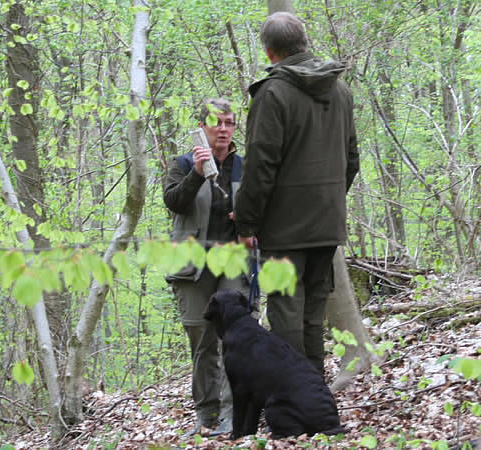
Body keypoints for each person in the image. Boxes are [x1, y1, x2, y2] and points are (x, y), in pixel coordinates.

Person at [234, 12, 360, 377]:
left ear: (270, 52)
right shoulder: (341, 91)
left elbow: (260, 166)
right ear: (303, 43)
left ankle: (296, 400)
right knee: (311, 312)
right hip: (327, 222)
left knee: (287, 311)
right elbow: (351, 159)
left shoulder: (272, 94)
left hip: (284, 229)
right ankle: (314, 395)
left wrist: (246, 223)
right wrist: (329, 201)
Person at [163, 98, 247, 436]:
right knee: (201, 339)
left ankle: (233, 413)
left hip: (234, 262)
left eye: (229, 123)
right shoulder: (183, 164)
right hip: (192, 264)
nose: (224, 130)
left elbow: (266, 205)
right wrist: (197, 174)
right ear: (203, 127)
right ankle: (206, 414)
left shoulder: (245, 165)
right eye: (217, 123)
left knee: (236, 336)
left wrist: (248, 220)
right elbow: (174, 203)